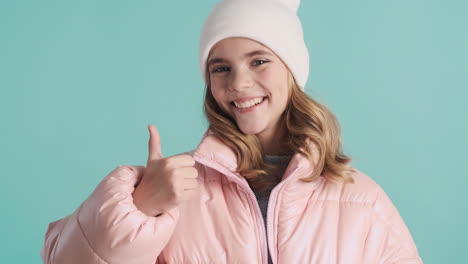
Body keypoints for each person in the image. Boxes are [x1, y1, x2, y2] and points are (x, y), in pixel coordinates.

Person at [40, 0, 423, 263]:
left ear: (292, 72)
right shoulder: (172, 190)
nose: (239, 83)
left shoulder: (361, 200)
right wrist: (138, 208)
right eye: (220, 68)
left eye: (259, 61)